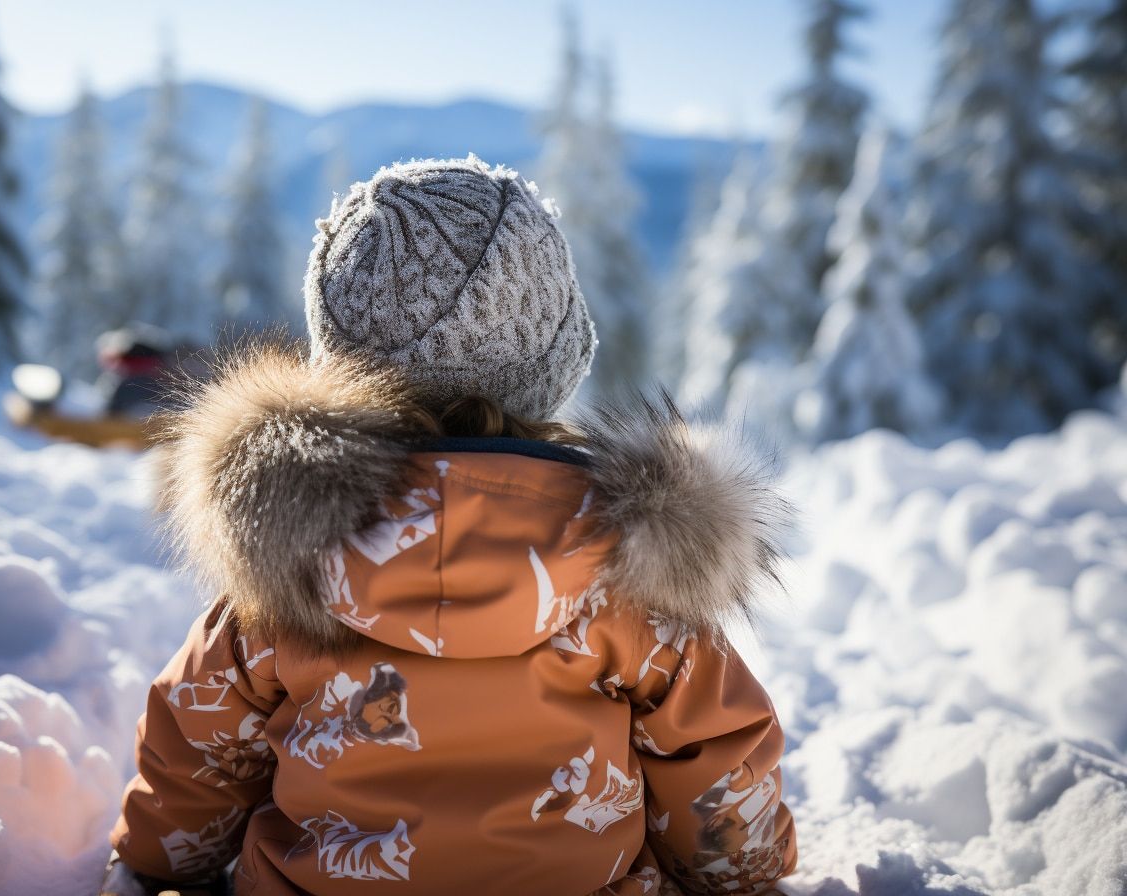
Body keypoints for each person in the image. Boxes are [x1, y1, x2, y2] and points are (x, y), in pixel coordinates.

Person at [100, 156, 797, 896]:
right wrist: (739, 876)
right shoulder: (631, 571)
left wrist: (156, 865)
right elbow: (716, 766)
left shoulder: (287, 565)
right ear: (552, 355)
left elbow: (197, 754)